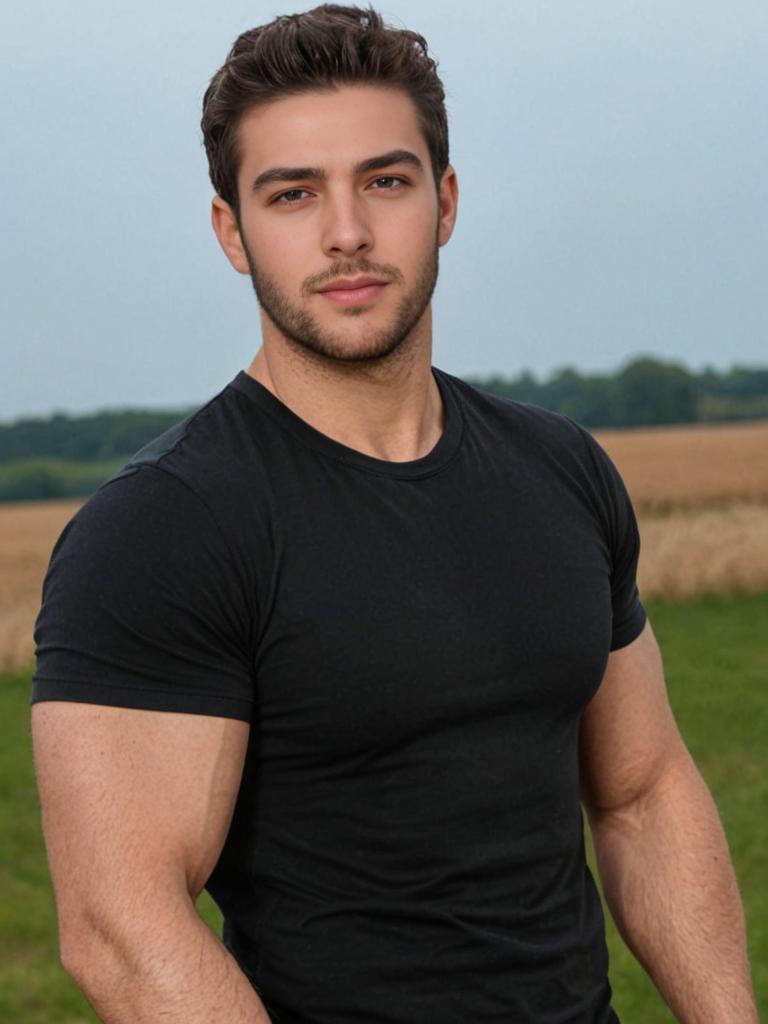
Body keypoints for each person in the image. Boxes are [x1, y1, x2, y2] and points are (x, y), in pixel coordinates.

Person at [31, 5, 758, 1023]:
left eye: (385, 180)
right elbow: (120, 927)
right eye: (292, 194)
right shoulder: (164, 530)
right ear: (231, 232)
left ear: (445, 200)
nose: (348, 232)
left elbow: (642, 792)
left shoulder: (560, 469)